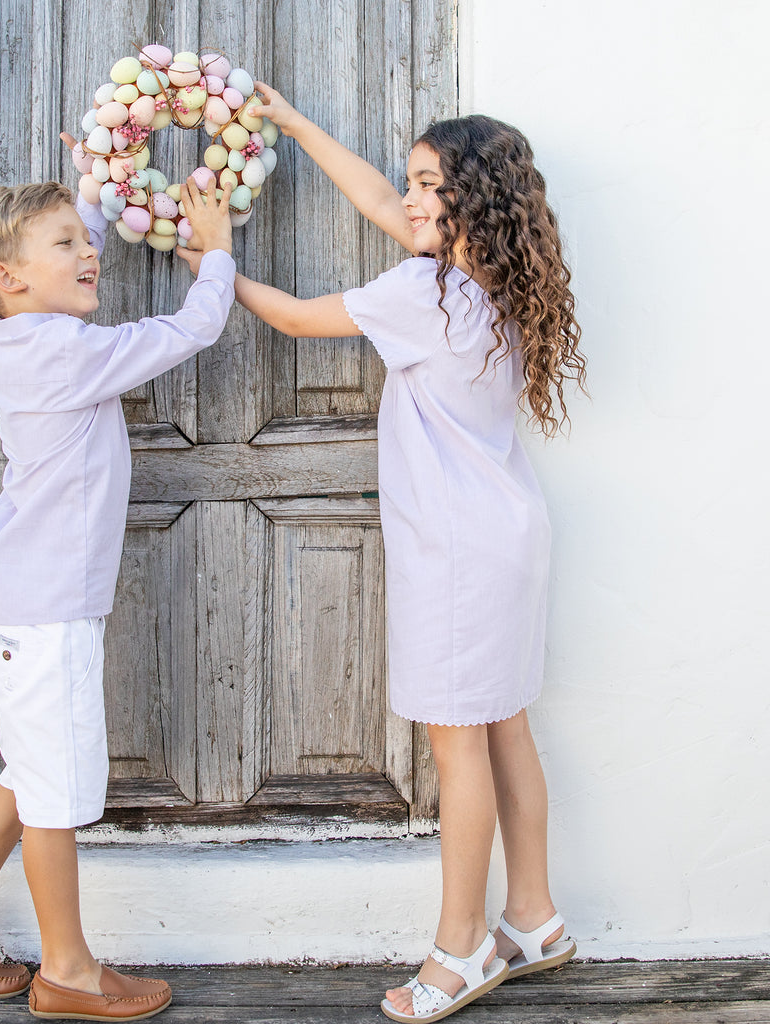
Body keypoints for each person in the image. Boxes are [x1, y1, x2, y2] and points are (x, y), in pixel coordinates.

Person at [178, 86, 585, 1024]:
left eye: (426, 184)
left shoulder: (421, 293)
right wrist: (293, 123)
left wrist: (214, 259)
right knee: (506, 726)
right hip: (509, 535)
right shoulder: (500, 283)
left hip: (455, 553)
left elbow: (287, 317)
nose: (407, 200)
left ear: (469, 199)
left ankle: (462, 947)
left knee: (458, 747)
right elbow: (374, 199)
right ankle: (534, 921)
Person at [0, 159, 233, 1022]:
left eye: (87, 241)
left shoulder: (10, 338)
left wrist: (82, 197)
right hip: (42, 606)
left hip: (24, 597)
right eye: (68, 244)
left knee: (29, 770)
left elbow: (44, 275)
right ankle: (70, 973)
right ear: (9, 279)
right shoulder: (61, 350)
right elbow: (185, 332)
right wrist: (219, 255)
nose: (90, 254)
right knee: (52, 792)